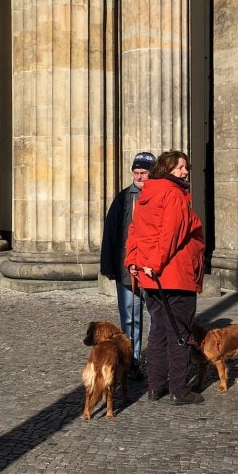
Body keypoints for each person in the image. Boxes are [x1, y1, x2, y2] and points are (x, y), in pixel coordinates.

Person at [125, 150, 206, 406]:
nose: (185, 172)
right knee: (179, 334)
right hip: (173, 275)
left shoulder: (148, 193)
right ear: (168, 169)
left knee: (158, 331)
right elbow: (170, 235)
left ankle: (155, 387)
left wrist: (134, 262)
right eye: (181, 167)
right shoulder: (173, 194)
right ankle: (179, 391)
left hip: (153, 277)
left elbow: (136, 232)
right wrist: (154, 264)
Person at [100, 151, 156, 379]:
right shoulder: (124, 198)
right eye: (136, 172)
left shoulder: (159, 196)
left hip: (153, 271)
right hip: (127, 271)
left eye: (143, 173)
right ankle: (131, 363)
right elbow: (111, 234)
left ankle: (155, 362)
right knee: (130, 319)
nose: (139, 177)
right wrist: (109, 266)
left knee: (155, 319)